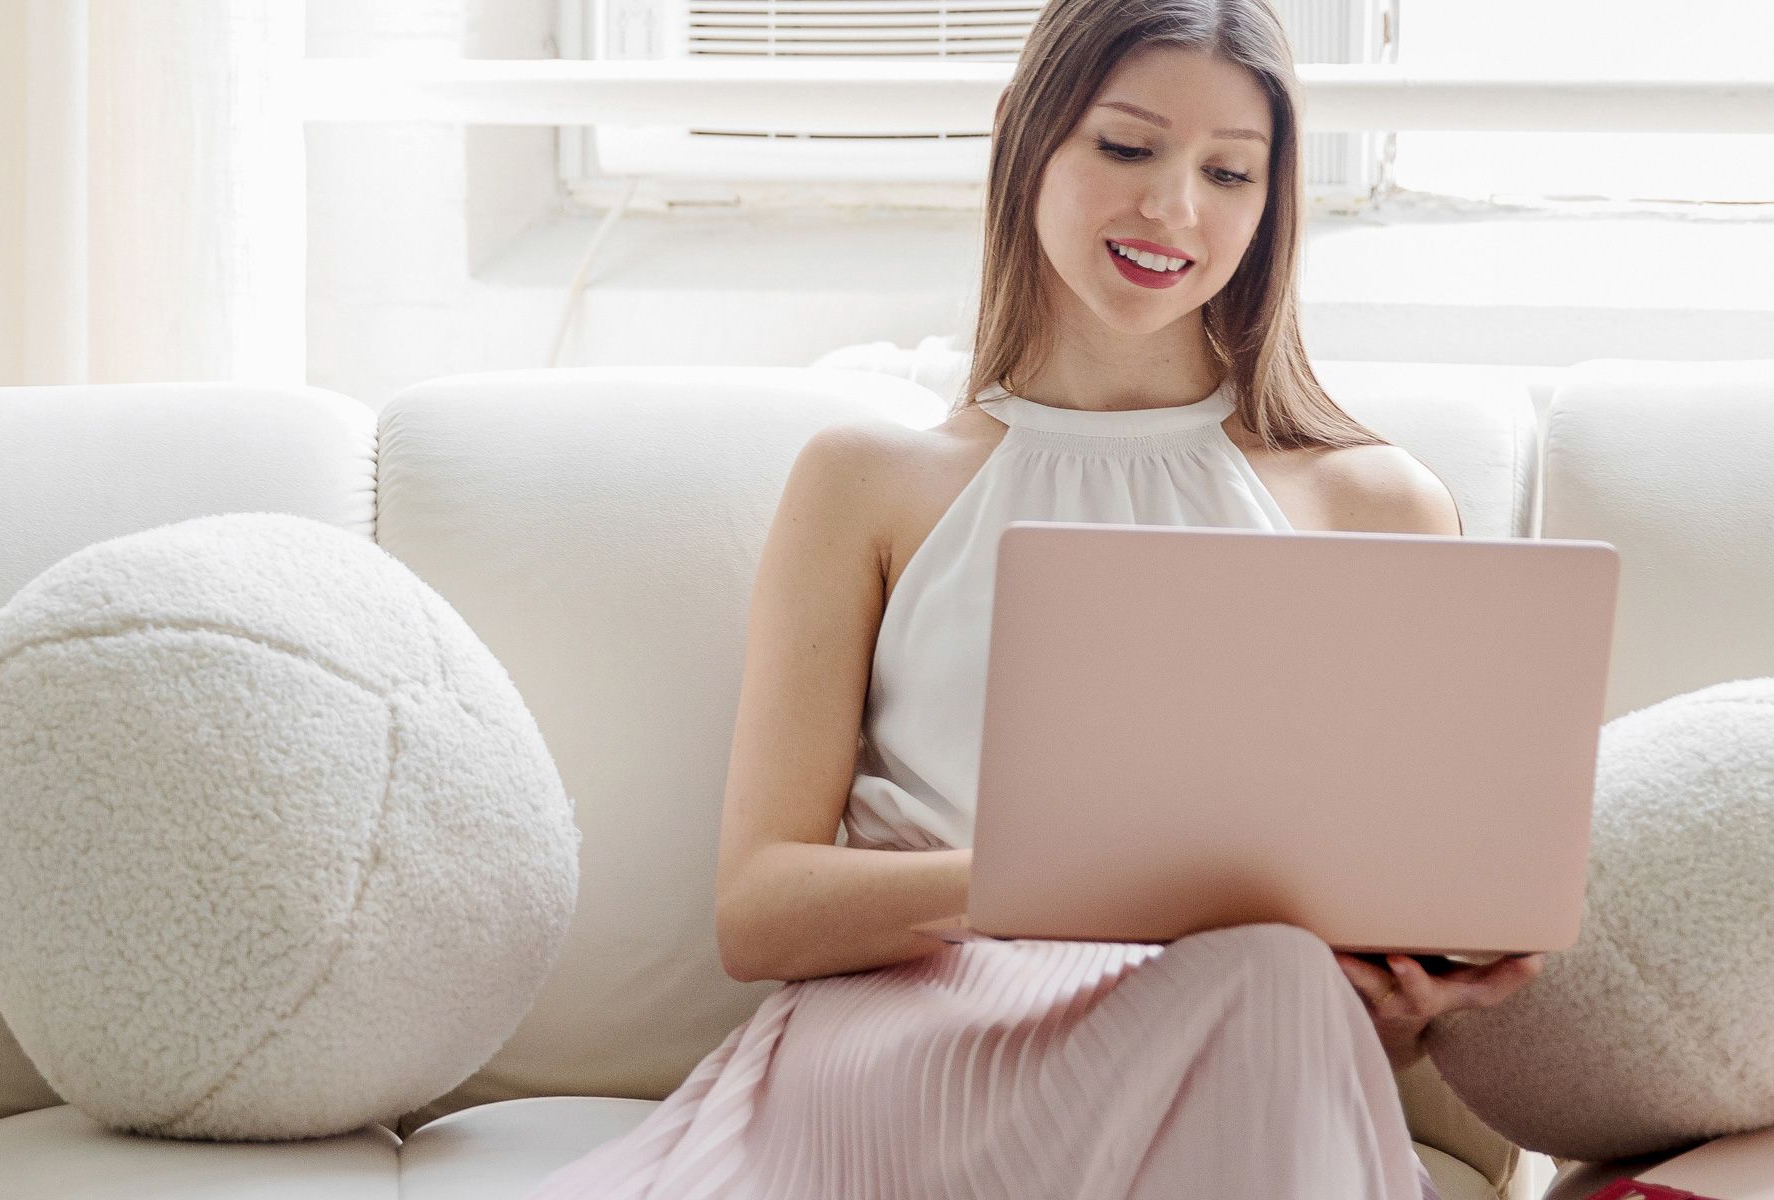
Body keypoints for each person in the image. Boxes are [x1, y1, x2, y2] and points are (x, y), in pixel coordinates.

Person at [520, 0, 1546, 1196]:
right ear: (1026, 136)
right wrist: (1087, 875)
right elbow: (760, 912)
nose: (1174, 209)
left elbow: (1388, 914)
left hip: (1230, 1027)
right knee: (1264, 978)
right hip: (925, 1034)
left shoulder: (1375, 504)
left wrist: (1412, 996)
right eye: (1126, 148)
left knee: (1270, 981)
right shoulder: (870, 483)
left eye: (1229, 172)